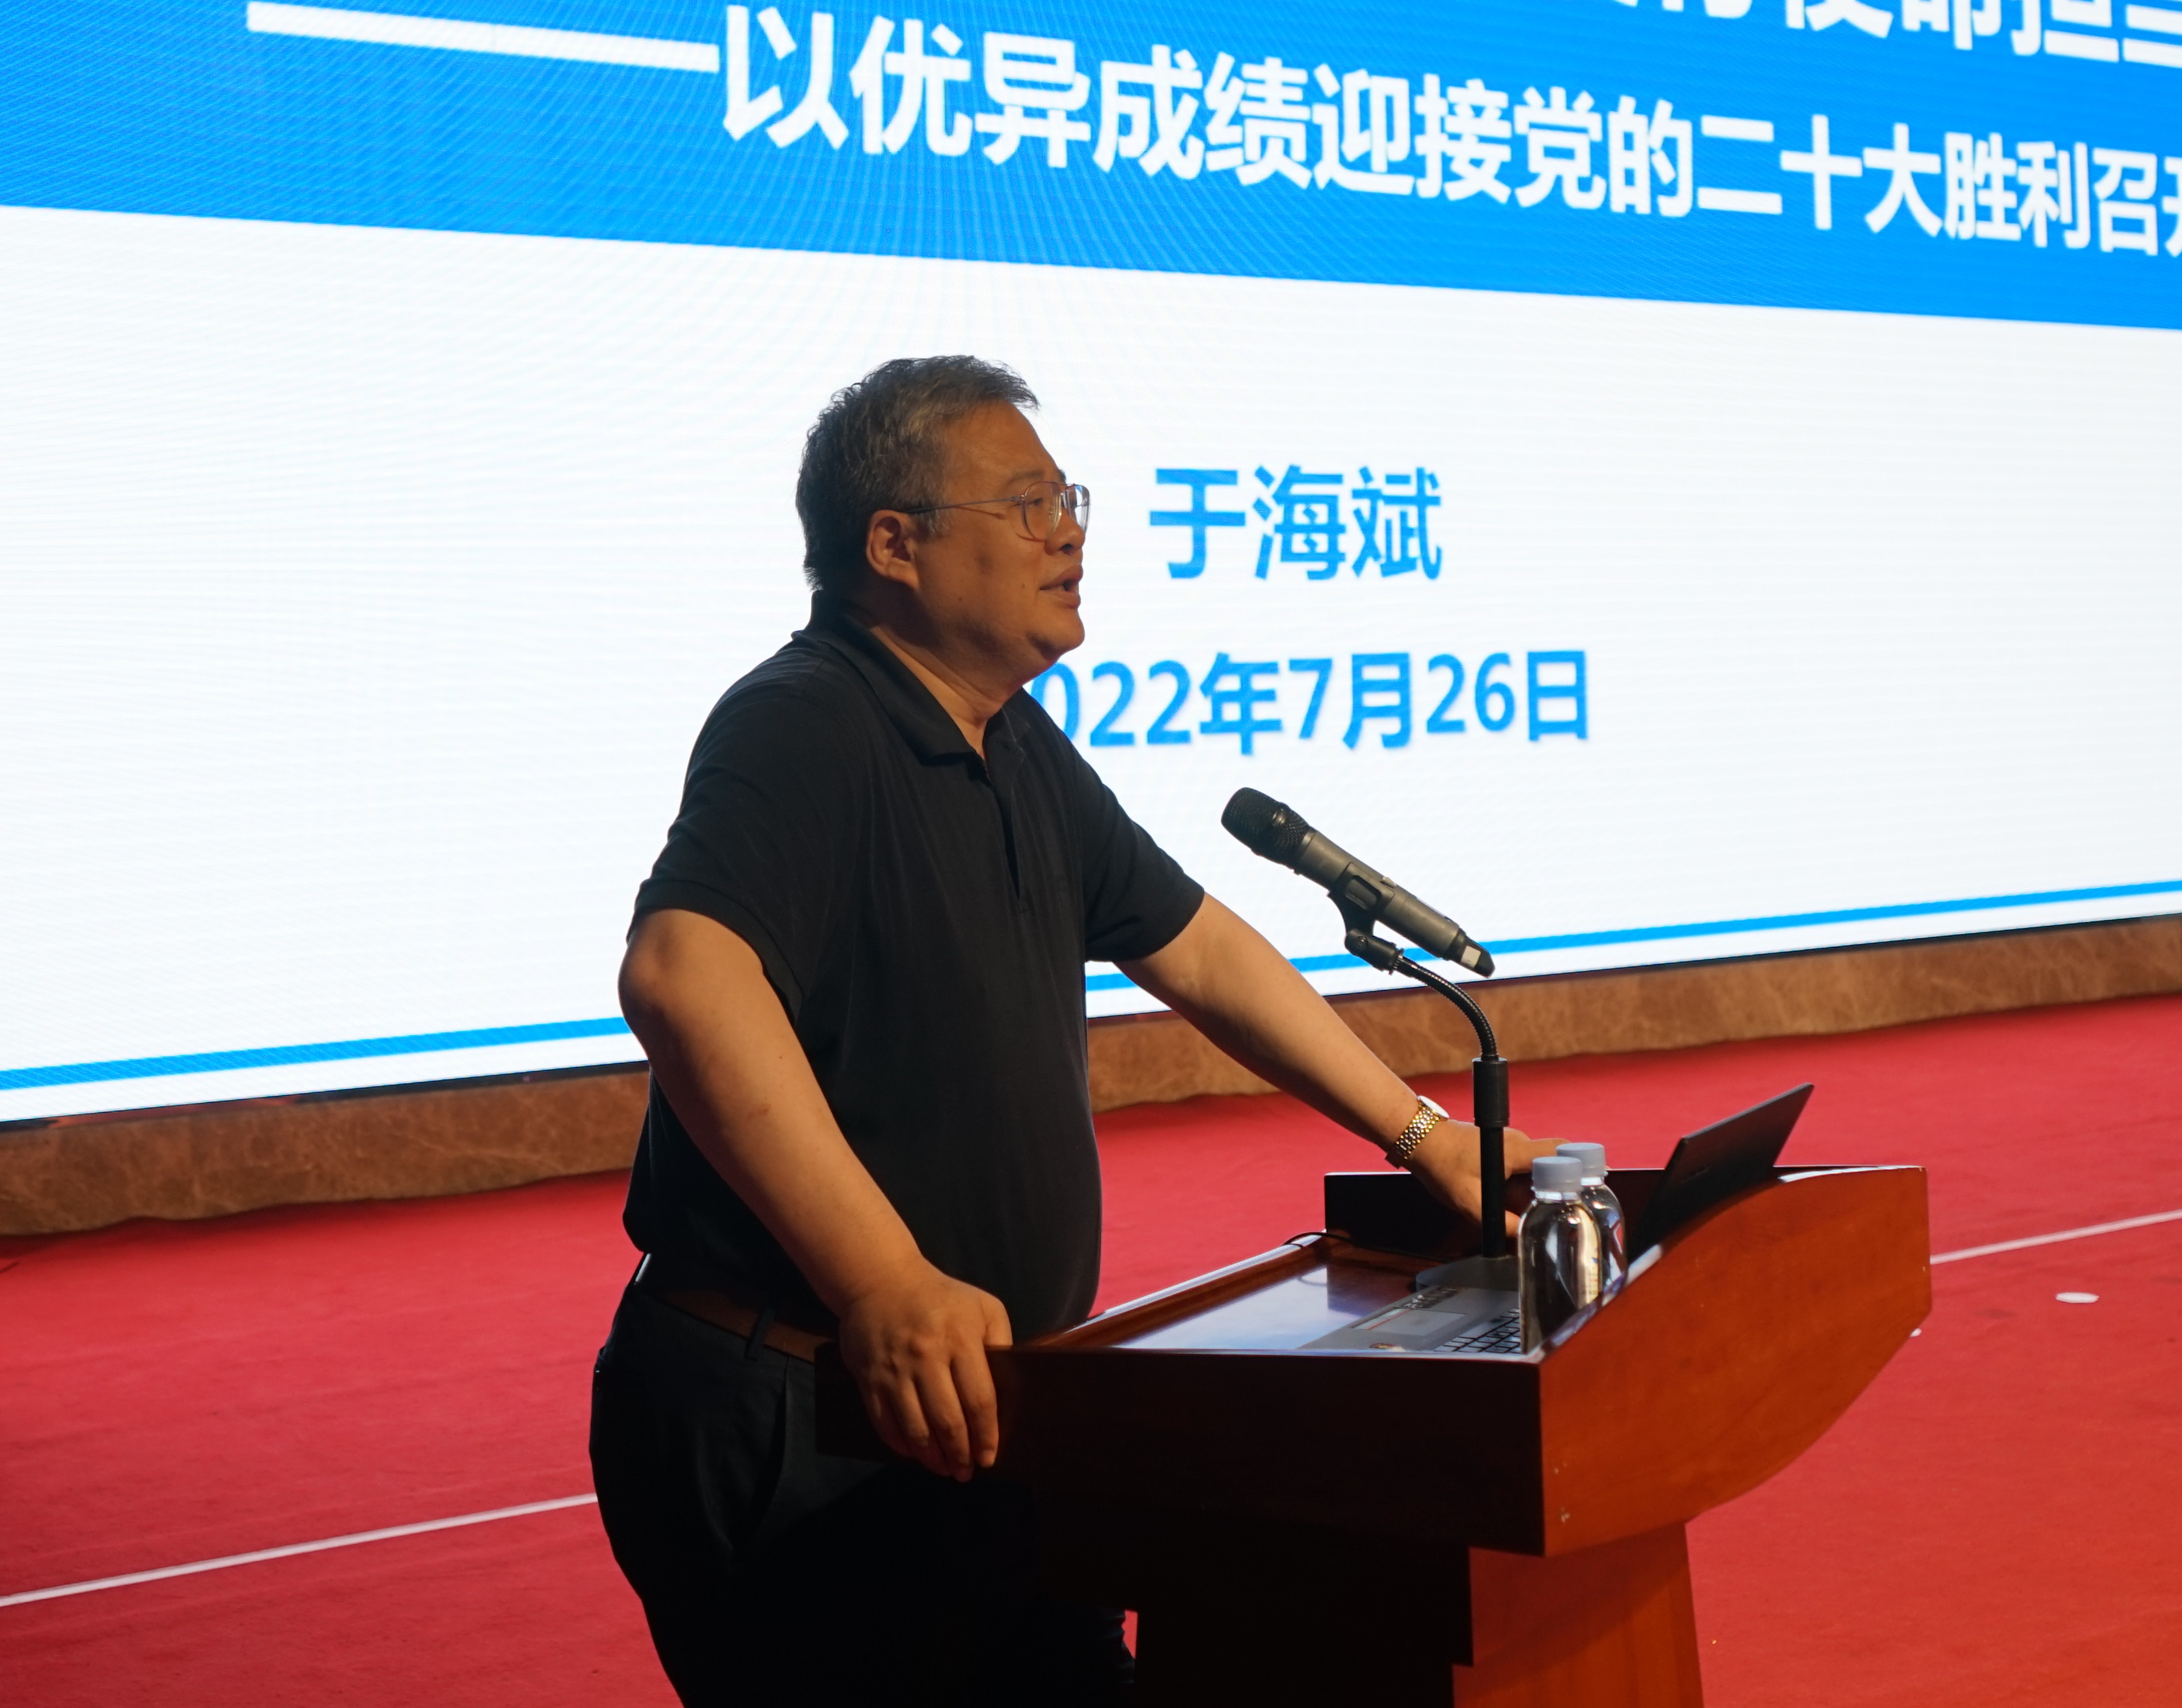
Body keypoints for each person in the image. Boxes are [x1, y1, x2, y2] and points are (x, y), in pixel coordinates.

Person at [589, 356, 1536, 1705]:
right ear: (895, 544)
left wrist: (1425, 1134)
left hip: (986, 1408)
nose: (1069, 533)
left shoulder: (1013, 740)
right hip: (801, 1407)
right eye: (1028, 503)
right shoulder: (809, 720)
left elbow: (1198, 947)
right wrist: (882, 1278)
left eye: (1068, 499)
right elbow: (685, 974)